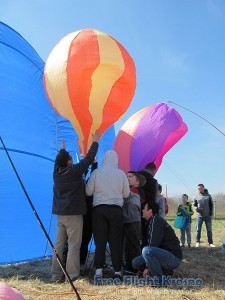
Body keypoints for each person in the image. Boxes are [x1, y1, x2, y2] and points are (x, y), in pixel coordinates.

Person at [51, 131, 101, 283]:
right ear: (68, 162)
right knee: (74, 245)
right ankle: (71, 276)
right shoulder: (73, 172)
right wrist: (95, 141)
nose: (73, 160)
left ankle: (55, 275)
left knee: (58, 245)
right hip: (74, 215)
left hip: (60, 215)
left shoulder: (56, 174)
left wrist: (62, 150)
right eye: (70, 158)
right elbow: (87, 160)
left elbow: (57, 162)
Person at [86, 150, 130, 279]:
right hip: (116, 210)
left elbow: (88, 192)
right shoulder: (121, 174)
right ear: (116, 160)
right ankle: (117, 271)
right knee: (115, 241)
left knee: (100, 241)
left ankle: (98, 271)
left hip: (99, 210)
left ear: (104, 159)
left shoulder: (96, 173)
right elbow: (126, 194)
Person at [132, 202, 182, 286]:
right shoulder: (150, 222)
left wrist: (147, 268)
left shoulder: (156, 221)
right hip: (163, 256)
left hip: (173, 258)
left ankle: (159, 280)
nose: (142, 210)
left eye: (144, 208)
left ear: (150, 211)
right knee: (135, 262)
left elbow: (152, 246)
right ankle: (165, 272)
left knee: (147, 251)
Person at [123, 172, 146, 274]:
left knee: (133, 244)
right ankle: (129, 265)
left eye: (130, 177)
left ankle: (136, 267)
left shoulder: (134, 190)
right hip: (129, 220)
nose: (127, 178)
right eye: (126, 176)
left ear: (137, 181)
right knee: (128, 244)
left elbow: (126, 196)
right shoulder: (132, 189)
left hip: (132, 220)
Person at [137, 162, 158, 248]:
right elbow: (155, 198)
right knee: (146, 232)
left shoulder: (135, 176)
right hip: (147, 210)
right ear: (153, 170)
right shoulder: (154, 182)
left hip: (134, 208)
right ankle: (144, 250)